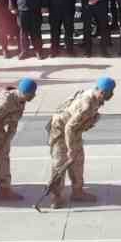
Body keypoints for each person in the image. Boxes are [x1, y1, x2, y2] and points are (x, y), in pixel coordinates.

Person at [44, 77, 115, 208]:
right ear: (102, 91)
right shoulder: (87, 104)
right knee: (60, 163)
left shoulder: (95, 97)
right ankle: (56, 196)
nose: (110, 95)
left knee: (78, 160)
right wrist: (71, 149)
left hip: (74, 130)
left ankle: (77, 192)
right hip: (60, 130)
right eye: (109, 92)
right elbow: (69, 127)